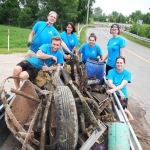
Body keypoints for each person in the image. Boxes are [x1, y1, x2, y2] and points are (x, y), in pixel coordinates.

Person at [106, 56, 134, 121]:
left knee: (122, 107)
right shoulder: (111, 71)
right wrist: (119, 91)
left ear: (124, 64)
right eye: (118, 63)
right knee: (117, 105)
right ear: (115, 63)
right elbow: (110, 84)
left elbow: (122, 85)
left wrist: (114, 90)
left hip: (123, 95)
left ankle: (128, 114)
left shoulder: (127, 73)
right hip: (117, 92)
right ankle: (128, 113)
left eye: (121, 63)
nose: (119, 64)